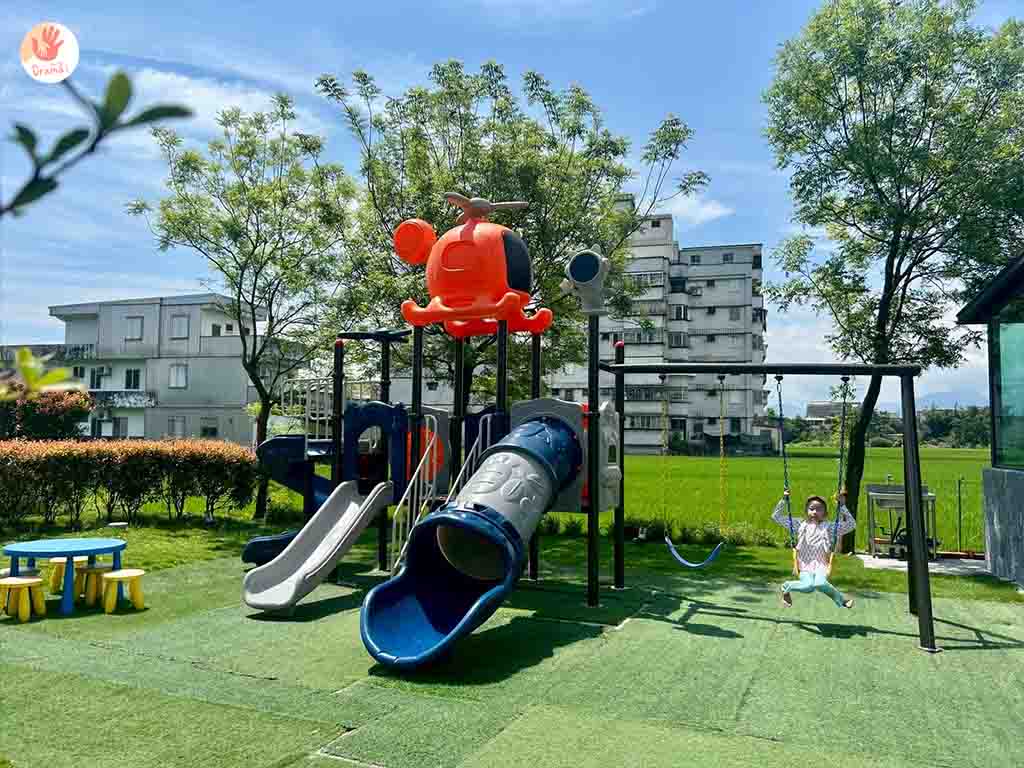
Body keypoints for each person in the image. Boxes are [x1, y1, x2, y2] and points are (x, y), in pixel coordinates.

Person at [771, 490, 856, 609]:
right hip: (804, 565)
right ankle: (785, 587)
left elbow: (851, 525)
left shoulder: (829, 527)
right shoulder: (799, 524)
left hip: (821, 565)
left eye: (819, 509)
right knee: (808, 587)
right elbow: (776, 516)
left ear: (825, 513)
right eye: (811, 509)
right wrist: (784, 500)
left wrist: (842, 506)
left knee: (820, 583)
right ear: (806, 511)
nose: (815, 512)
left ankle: (842, 600)